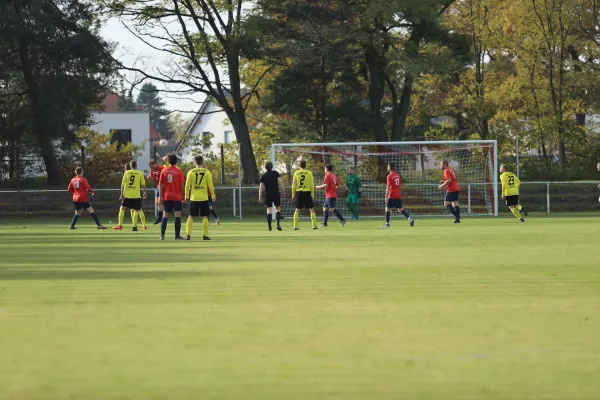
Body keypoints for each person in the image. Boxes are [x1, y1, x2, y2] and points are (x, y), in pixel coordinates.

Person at [184, 155, 215, 241]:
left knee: (191, 216)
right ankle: (205, 235)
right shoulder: (207, 172)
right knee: (205, 216)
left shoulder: (190, 172)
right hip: (204, 197)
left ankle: (188, 235)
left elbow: (187, 185)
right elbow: (210, 185)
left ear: (194, 162)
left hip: (194, 197)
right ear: (202, 161)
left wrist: (186, 196)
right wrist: (213, 195)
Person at [114, 160, 148, 231]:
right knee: (139, 210)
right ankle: (143, 226)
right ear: (136, 165)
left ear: (130, 165)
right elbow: (143, 184)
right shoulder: (140, 173)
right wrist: (145, 192)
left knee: (122, 209)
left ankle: (120, 225)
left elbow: (123, 184)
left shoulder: (127, 172)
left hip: (128, 195)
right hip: (136, 196)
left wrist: (121, 194)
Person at [158, 154, 186, 240]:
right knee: (177, 216)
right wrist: (184, 197)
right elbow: (182, 186)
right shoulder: (179, 171)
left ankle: (162, 236)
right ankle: (177, 235)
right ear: (176, 161)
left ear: (168, 161)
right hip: (177, 197)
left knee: (165, 216)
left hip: (167, 196)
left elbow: (160, 184)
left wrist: (160, 196)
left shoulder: (164, 171)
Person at [383, 163, 414, 228]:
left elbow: (388, 187)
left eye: (387, 167)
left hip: (391, 195)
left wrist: (386, 196)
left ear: (389, 168)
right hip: (398, 195)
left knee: (387, 208)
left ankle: (387, 223)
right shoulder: (397, 175)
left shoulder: (389, 176)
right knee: (400, 209)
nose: (387, 168)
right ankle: (410, 219)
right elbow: (399, 185)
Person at [291, 159, 317, 230]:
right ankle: (314, 225)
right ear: (305, 165)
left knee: (297, 209)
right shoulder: (309, 173)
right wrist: (312, 194)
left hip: (299, 193)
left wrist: (293, 194)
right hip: (307, 192)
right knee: (311, 209)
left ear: (299, 165)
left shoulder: (296, 173)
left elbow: (294, 185)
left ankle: (295, 226)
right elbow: (312, 184)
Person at [259, 161, 285, 231]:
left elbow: (261, 187)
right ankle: (278, 224)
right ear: (272, 166)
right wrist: (283, 190)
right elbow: (280, 182)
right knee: (278, 208)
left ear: (265, 167)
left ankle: (269, 227)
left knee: (269, 210)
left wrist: (260, 196)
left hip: (268, 194)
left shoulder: (263, 175)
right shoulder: (275, 173)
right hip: (276, 193)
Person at [148, 159, 165, 225]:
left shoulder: (162, 168)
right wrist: (149, 178)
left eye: (151, 166)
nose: (150, 168)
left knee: (160, 202)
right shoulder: (152, 170)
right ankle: (160, 218)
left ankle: (162, 218)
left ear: (154, 164)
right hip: (159, 187)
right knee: (157, 203)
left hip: (164, 187)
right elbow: (152, 178)